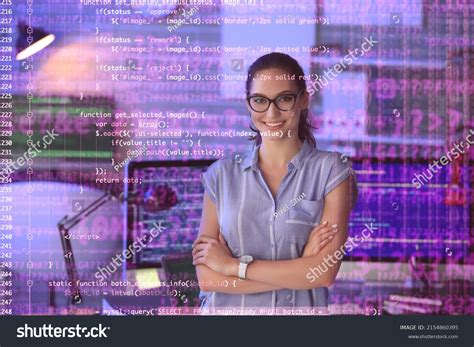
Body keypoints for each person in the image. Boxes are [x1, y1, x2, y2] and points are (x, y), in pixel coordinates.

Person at [192, 52, 358, 312]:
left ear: (303, 100)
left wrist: (233, 267)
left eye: (284, 99)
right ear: (248, 104)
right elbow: (209, 279)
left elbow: (323, 274)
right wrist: (300, 270)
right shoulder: (220, 176)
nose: (272, 112)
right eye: (260, 100)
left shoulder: (332, 171)